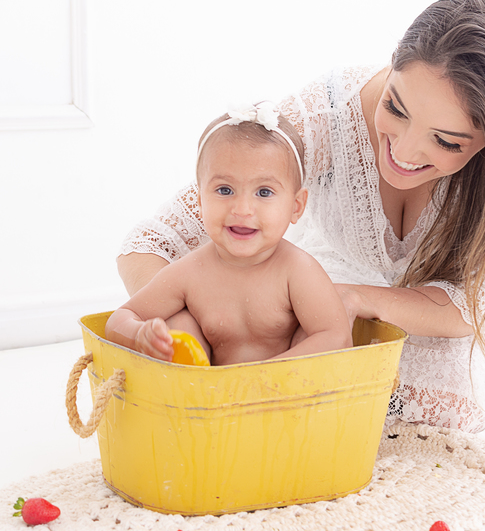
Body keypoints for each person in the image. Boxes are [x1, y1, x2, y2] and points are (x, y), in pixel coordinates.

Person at [117, 0, 485, 449]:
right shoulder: (327, 113)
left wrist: (356, 300)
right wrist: (195, 327)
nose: (403, 153)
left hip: (423, 321)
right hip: (312, 300)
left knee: (445, 383)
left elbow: (481, 304)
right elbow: (148, 242)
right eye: (396, 108)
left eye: (446, 141)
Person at [105, 103, 352, 365]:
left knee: (313, 336)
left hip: (286, 395)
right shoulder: (189, 273)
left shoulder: (298, 270)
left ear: (296, 206)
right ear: (200, 202)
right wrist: (139, 334)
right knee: (178, 321)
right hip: (210, 399)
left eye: (264, 192)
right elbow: (119, 319)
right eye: (225, 190)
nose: (243, 210)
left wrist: (262, 374)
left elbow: (337, 338)